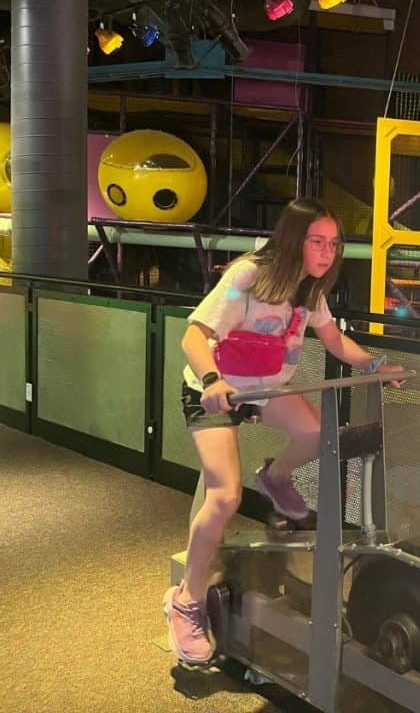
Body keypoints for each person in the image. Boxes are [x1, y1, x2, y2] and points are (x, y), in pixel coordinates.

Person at [163, 198, 404, 665]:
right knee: (225, 496)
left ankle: (274, 477)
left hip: (266, 389)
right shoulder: (248, 277)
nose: (327, 252)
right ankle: (185, 601)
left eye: (334, 244)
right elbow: (194, 335)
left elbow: (333, 339)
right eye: (318, 241)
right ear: (294, 239)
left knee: (319, 435)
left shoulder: (311, 291)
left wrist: (374, 365)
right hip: (214, 390)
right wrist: (212, 381)